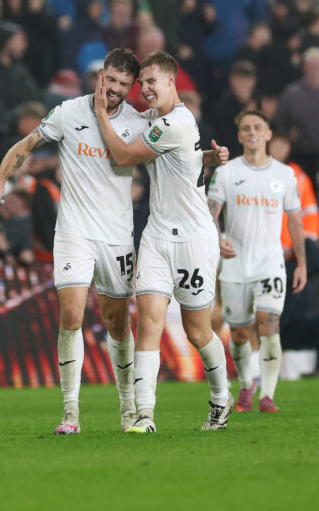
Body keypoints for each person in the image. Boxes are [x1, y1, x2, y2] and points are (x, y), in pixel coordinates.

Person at [0, 48, 147, 434]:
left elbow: (175, 160)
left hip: (116, 236)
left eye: (125, 85)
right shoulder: (67, 113)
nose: (117, 90)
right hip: (73, 231)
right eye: (112, 81)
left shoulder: (138, 122)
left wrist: (209, 159)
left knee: (117, 323)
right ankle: (70, 413)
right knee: (71, 316)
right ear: (100, 77)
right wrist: (0, 178)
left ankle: (127, 408)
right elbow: (25, 145)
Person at [92, 50, 231, 433]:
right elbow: (184, 158)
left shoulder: (176, 122)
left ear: (172, 82)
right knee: (149, 321)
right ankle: (145, 415)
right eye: (143, 83)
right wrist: (209, 158)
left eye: (153, 81)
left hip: (193, 238)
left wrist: (101, 110)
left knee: (197, 331)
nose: (146, 89)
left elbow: (122, 156)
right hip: (156, 235)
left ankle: (221, 398)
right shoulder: (157, 119)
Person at [207, 110, 307, 413]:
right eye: (246, 128)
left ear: (268, 134)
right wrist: (217, 237)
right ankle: (247, 384)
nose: (252, 132)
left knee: (268, 323)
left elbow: (296, 222)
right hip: (235, 263)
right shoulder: (226, 172)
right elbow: (211, 214)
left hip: (270, 263)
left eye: (258, 127)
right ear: (239, 136)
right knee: (238, 333)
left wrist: (300, 263)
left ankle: (268, 395)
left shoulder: (285, 175)